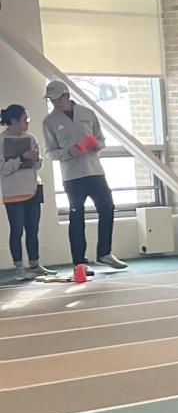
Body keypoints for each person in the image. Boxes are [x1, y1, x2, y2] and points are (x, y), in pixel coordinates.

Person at [42, 80, 124, 270]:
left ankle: (105, 253)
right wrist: (68, 152)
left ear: (66, 96)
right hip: (72, 176)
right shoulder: (49, 121)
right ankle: (79, 261)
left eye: (57, 99)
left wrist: (97, 145)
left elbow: (101, 139)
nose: (55, 103)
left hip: (95, 171)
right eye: (51, 100)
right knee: (76, 216)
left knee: (107, 208)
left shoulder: (88, 113)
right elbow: (49, 153)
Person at [2, 103, 45, 276]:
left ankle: (35, 264)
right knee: (17, 230)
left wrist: (36, 158)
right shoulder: (1, 140)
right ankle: (19, 267)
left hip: (33, 189)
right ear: (13, 121)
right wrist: (21, 157)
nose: (27, 123)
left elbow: (37, 166)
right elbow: (3, 169)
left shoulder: (31, 138)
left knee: (33, 229)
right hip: (13, 193)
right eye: (24, 119)